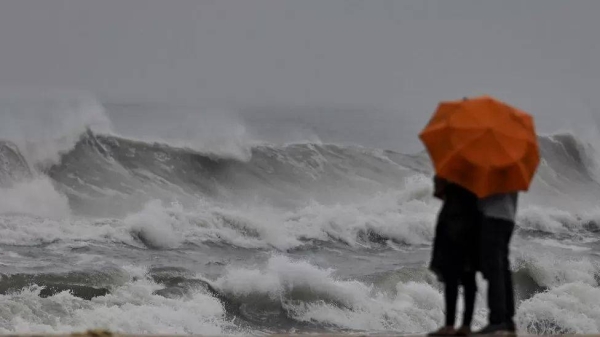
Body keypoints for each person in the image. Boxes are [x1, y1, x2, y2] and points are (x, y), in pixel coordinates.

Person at [428, 176, 482, 336]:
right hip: (470, 230)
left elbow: (439, 192)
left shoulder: (453, 173)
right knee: (468, 279)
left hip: (454, 232)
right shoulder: (476, 177)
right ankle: (464, 325)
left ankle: (452, 325)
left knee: (455, 280)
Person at [474, 192, 519, 335]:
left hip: (493, 218)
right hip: (508, 217)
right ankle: (507, 319)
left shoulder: (492, 172)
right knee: (503, 267)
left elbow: (485, 196)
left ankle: (498, 320)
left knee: (495, 268)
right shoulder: (512, 170)